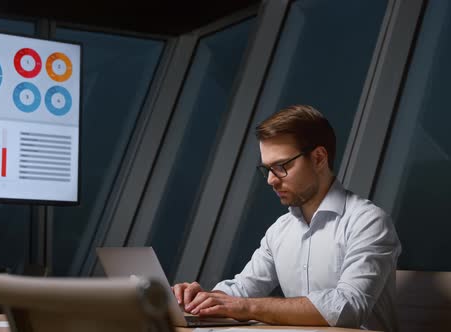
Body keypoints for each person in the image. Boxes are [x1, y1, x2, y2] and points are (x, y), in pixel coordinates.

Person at [172, 105, 401, 331]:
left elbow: (349, 307)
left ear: (319, 158)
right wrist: (202, 299)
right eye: (267, 169)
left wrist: (246, 307)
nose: (271, 180)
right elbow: (244, 288)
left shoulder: (368, 221)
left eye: (281, 166)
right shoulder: (279, 230)